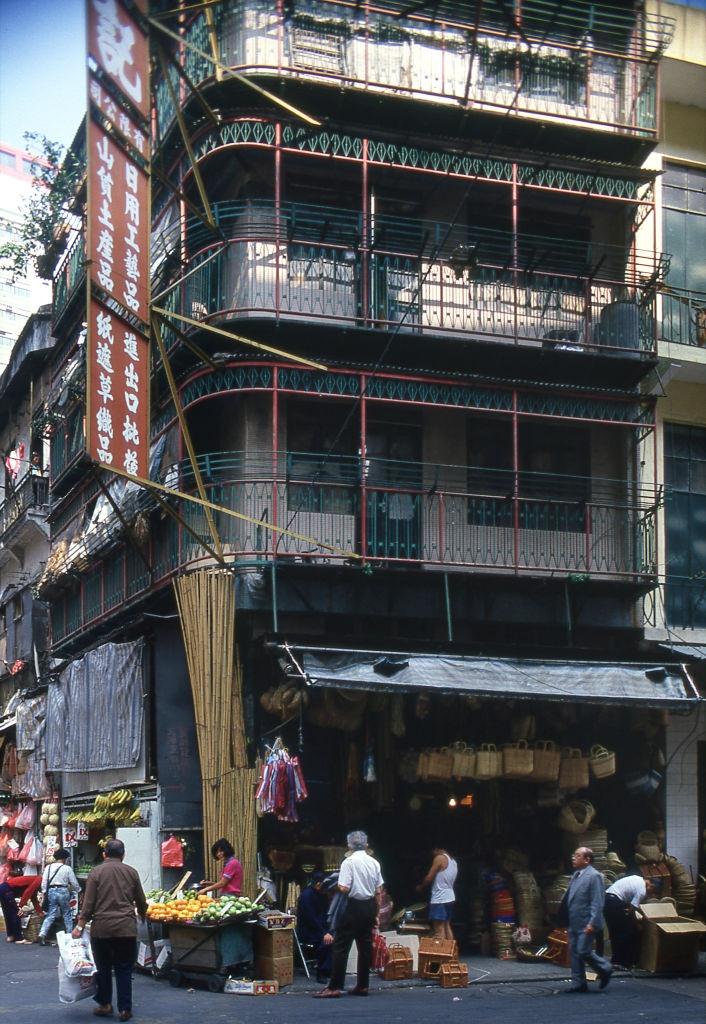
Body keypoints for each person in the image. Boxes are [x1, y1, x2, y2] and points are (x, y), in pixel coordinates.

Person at [72, 838, 147, 1022]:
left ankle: (105, 1004)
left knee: (103, 968)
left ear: (104, 854)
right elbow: (141, 900)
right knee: (124, 969)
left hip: (102, 929)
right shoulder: (132, 872)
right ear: (123, 854)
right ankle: (125, 1009)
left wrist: (80, 925)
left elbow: (88, 903)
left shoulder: (96, 872)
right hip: (126, 928)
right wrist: (143, 915)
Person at [314, 831, 383, 999]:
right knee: (365, 947)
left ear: (349, 846)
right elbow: (378, 891)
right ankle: (362, 985)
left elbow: (344, 887)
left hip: (352, 906)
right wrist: (376, 913)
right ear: (366, 845)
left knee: (341, 946)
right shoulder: (374, 863)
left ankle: (335, 986)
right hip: (368, 906)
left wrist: (333, 884)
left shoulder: (349, 862)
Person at [562, 846, 612, 993]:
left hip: (586, 922)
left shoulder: (594, 876)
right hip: (574, 921)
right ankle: (578, 984)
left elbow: (597, 901)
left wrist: (593, 922)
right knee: (574, 953)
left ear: (587, 859)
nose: (573, 857)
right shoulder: (576, 875)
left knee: (583, 950)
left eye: (577, 855)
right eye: (574, 855)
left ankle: (605, 968)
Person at [604, 875, 659, 967]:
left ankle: (616, 961)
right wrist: (637, 924)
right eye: (652, 892)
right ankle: (623, 962)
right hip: (614, 901)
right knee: (625, 932)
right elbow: (632, 910)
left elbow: (631, 906)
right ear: (651, 886)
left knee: (615, 932)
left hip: (608, 898)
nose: (650, 895)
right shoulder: (642, 890)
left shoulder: (637, 878)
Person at [38, 848, 80, 945]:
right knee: (67, 914)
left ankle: (42, 934)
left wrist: (44, 892)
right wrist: (79, 890)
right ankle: (69, 935)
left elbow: (44, 882)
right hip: (63, 891)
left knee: (51, 914)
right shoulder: (67, 868)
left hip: (51, 891)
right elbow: (73, 882)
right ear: (64, 858)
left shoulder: (48, 868)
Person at [297, 872, 332, 983]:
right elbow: (310, 918)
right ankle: (322, 972)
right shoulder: (306, 896)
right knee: (325, 942)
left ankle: (329, 969)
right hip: (309, 930)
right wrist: (324, 933)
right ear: (317, 884)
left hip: (320, 928)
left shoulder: (321, 895)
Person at [416, 846, 458, 940]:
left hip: (440, 898)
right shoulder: (453, 862)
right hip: (450, 897)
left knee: (439, 930)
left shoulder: (440, 858)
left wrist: (421, 887)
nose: (433, 854)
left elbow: (429, 877)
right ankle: (450, 953)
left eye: (433, 851)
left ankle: (440, 953)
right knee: (447, 926)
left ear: (438, 849)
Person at [0, 865, 33, 943]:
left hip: (3, 888)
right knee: (16, 913)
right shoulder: (38, 880)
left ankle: (10, 936)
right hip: (7, 890)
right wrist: (20, 907)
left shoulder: (32, 879)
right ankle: (19, 938)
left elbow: (32, 897)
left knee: (8, 913)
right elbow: (27, 893)